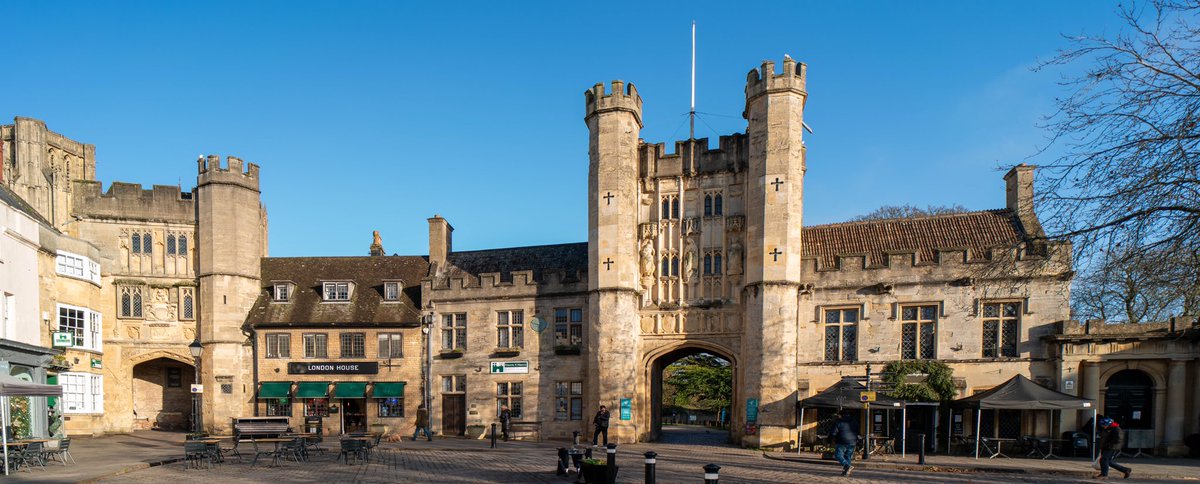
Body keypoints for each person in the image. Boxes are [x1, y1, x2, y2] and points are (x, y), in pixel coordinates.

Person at [830, 410, 859, 476]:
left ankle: (847, 465)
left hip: (842, 441)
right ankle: (846, 472)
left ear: (840, 415)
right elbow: (857, 431)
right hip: (853, 441)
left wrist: (832, 439)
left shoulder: (839, 422)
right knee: (848, 456)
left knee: (838, 455)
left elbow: (833, 432)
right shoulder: (854, 421)